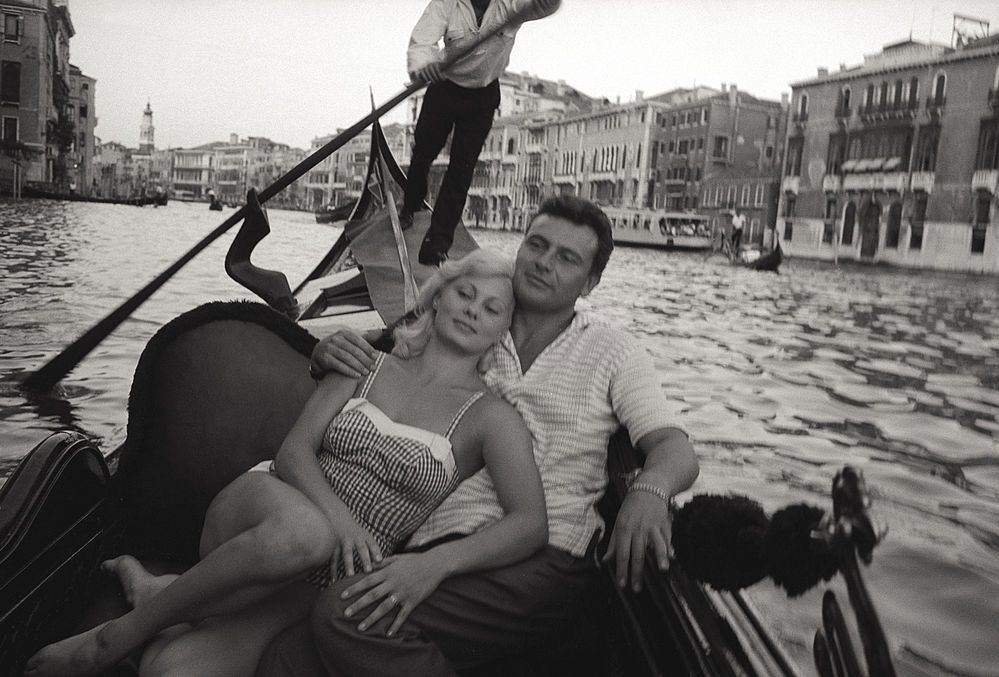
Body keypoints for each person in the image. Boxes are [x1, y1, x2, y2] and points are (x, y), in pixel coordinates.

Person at [24, 249, 545, 677]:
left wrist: (433, 564)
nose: (473, 309)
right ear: (439, 297)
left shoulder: (491, 418)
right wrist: (339, 522)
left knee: (175, 670)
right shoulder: (366, 361)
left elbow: (530, 524)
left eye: (492, 308)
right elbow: (296, 450)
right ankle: (110, 641)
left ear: (504, 330)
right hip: (266, 508)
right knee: (306, 532)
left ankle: (158, 594)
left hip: (326, 577)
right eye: (465, 293)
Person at [258, 195, 700, 676]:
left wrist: (650, 491)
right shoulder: (476, 321)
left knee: (347, 614)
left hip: (542, 554)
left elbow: (674, 448)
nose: (544, 263)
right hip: (425, 540)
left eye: (567, 258)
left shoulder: (613, 351)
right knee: (283, 659)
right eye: (537, 245)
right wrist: (323, 354)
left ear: (590, 283)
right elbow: (379, 363)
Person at [399, 0, 561, 266]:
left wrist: (550, 1)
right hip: (445, 86)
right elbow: (422, 42)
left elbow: (542, 7)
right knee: (423, 153)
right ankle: (411, 205)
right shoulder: (446, 4)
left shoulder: (510, 5)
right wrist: (423, 67)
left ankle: (437, 242)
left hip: (483, 95)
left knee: (461, 170)